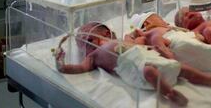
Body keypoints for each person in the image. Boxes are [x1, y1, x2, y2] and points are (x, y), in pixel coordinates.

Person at [55, 22, 188, 107]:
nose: (87, 47)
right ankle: (170, 94)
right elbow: (81, 68)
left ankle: (201, 76)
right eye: (83, 47)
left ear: (106, 34)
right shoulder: (93, 57)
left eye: (89, 40)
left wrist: (140, 39)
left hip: (145, 59)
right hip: (134, 72)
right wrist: (63, 66)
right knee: (149, 72)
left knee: (176, 66)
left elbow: (137, 47)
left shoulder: (121, 41)